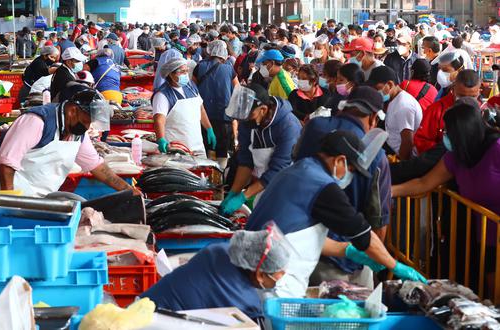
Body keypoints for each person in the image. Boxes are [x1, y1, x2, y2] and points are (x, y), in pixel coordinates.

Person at [245, 130, 426, 297]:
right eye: (351, 170)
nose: (350, 176)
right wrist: (395, 266)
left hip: (258, 271)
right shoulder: (322, 186)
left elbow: (298, 237)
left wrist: (346, 250)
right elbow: (362, 234)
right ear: (339, 161)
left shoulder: (298, 170)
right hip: (274, 282)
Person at [393, 98, 500, 291]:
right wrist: (389, 191)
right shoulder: (456, 156)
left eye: (448, 131)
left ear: (462, 133)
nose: (444, 135)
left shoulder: (497, 149)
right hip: (486, 237)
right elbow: (424, 183)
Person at [294, 87, 391, 287]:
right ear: (373, 118)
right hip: (347, 257)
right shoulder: (376, 156)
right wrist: (378, 257)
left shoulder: (313, 127)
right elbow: (378, 217)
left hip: (301, 246)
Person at [0, 87, 137, 197]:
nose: (87, 127)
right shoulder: (36, 121)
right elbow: (7, 163)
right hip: (16, 194)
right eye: (85, 121)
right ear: (72, 111)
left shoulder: (77, 134)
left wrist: (128, 189)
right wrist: (9, 201)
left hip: (44, 196)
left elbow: (96, 166)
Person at [141, 227, 291, 321]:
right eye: (279, 275)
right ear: (260, 275)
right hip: (152, 322)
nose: (281, 279)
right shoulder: (244, 302)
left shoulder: (219, 251)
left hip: (141, 306)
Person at [219, 83, 301, 215]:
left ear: (263, 109)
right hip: (262, 185)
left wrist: (244, 196)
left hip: (288, 186)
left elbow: (278, 169)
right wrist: (234, 192)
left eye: (249, 116)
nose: (244, 121)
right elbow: (246, 160)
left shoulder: (288, 126)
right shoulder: (248, 122)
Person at [152, 58, 215, 157]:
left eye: (186, 71)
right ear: (170, 74)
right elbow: (159, 120)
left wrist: (209, 129)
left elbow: (201, 109)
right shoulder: (162, 94)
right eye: (182, 72)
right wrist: (161, 139)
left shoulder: (191, 87)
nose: (185, 75)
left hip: (197, 145)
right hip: (176, 149)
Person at [193, 40, 239, 166]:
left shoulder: (200, 66)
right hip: (224, 116)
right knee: (222, 151)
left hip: (203, 116)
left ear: (210, 51)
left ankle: (208, 173)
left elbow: (192, 90)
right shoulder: (229, 69)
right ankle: (221, 176)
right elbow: (237, 90)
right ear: (224, 53)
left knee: (207, 148)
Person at [414, 69, 481, 154]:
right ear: (453, 88)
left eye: (472, 96)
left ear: (479, 91)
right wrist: (447, 152)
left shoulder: (483, 111)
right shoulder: (436, 110)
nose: (466, 100)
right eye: (462, 96)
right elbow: (421, 141)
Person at [369, 65, 422, 160]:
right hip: (391, 147)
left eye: (377, 89)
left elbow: (407, 142)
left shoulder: (403, 105)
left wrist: (398, 163)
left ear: (389, 84)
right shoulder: (394, 99)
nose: (376, 92)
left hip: (400, 155)